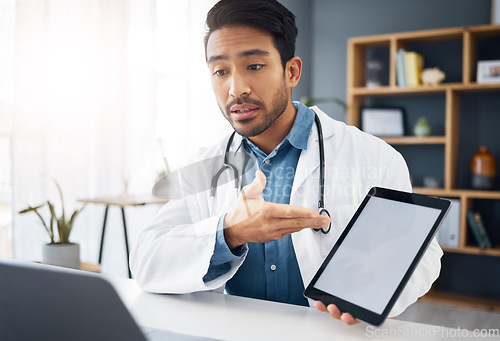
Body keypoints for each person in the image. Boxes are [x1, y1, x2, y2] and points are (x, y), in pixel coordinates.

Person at [130, 0, 442, 325]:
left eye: (254, 66)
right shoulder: (206, 165)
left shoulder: (373, 157)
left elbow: (424, 257)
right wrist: (230, 233)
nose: (236, 88)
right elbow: (146, 260)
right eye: (221, 71)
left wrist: (374, 286)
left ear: (291, 72)